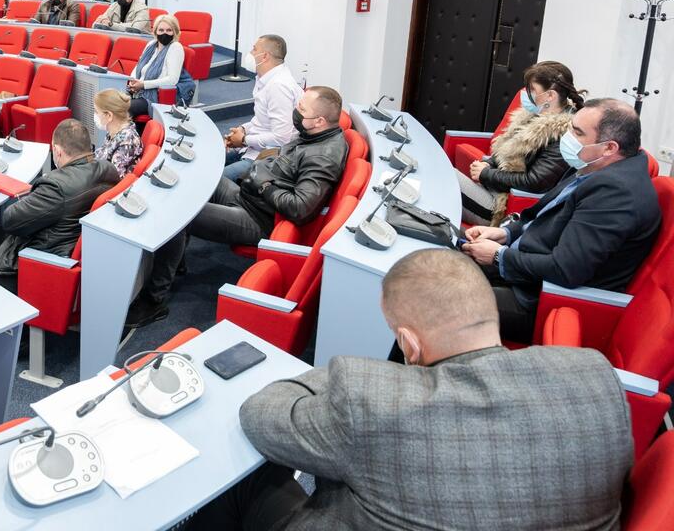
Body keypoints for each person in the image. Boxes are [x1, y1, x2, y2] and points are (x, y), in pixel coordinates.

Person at [189, 248, 633, 531]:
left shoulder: (375, 401)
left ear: (409, 343)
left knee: (243, 479)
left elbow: (261, 414)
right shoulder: (594, 376)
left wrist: (339, 375)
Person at [129, 87, 348, 327]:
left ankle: (153, 300)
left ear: (319, 120)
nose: (295, 111)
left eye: (301, 109)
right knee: (198, 178)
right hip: (249, 196)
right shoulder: (311, 133)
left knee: (180, 215)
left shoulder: (323, 156)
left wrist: (265, 186)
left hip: (257, 218)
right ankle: (174, 258)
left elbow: (301, 208)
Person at [462, 97, 660, 343]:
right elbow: (542, 215)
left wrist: (498, 256)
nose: (567, 137)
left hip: (540, 298)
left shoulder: (618, 195)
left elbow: (566, 269)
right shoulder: (592, 163)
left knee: (440, 297)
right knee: (439, 249)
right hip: (522, 264)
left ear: (609, 147)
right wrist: (507, 233)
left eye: (577, 132)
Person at [0, 119, 118, 292]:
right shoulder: (108, 170)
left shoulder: (56, 186)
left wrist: (33, 195)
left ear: (57, 151)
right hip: (64, 242)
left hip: (42, 263)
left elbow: (9, 221)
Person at [458, 61, 582, 225]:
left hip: (503, 205)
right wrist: (488, 163)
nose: (526, 94)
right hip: (494, 188)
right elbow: (505, 150)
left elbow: (534, 182)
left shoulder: (561, 134)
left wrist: (486, 174)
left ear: (550, 96)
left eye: (532, 90)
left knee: (448, 178)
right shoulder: (532, 116)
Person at [222, 35, 303, 182]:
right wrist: (243, 129)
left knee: (214, 180)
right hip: (253, 147)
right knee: (210, 160)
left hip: (267, 158)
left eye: (254, 49)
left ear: (264, 56)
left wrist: (244, 139)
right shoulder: (265, 79)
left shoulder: (278, 87)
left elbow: (281, 138)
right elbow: (263, 119)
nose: (250, 53)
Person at [126, 14, 186, 118]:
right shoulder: (151, 45)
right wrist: (133, 82)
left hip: (154, 97)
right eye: (161, 30)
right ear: (155, 32)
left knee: (122, 107)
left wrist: (143, 84)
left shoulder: (175, 48)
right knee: (109, 102)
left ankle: (127, 128)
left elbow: (172, 80)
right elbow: (138, 66)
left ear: (175, 32)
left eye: (169, 30)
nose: (164, 33)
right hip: (138, 91)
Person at [93, 89, 143, 178]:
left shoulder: (127, 142)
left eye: (96, 112)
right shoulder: (113, 131)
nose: (95, 115)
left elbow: (114, 179)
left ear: (109, 116)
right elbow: (102, 154)